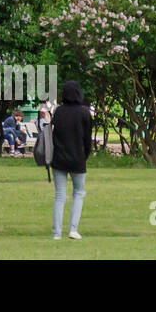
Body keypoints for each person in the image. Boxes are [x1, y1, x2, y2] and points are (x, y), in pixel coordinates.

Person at [50, 80, 93, 240]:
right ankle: (73, 229)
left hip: (59, 159)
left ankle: (57, 233)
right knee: (79, 192)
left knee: (60, 195)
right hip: (78, 159)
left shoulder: (58, 112)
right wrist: (84, 156)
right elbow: (87, 140)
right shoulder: (84, 113)